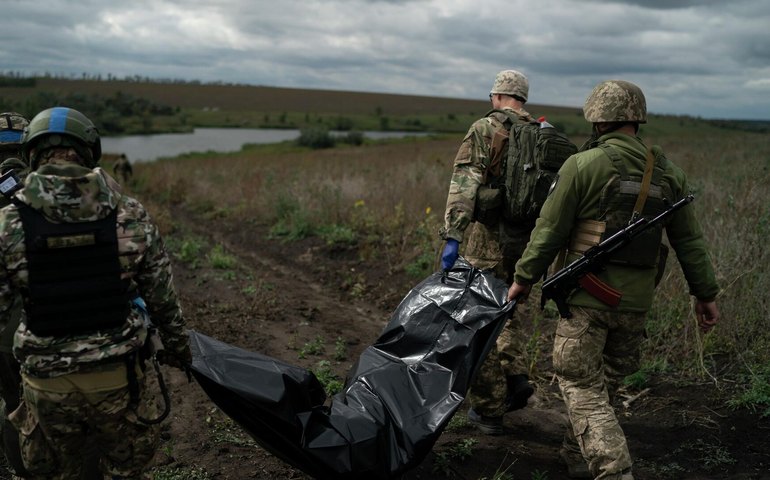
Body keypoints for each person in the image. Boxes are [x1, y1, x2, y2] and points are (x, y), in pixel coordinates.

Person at [508, 80, 720, 479]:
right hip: (636, 304)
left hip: (587, 299)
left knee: (579, 383)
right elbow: (689, 241)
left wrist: (523, 279)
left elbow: (549, 230)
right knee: (600, 386)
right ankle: (575, 455)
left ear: (597, 118)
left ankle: (614, 470)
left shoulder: (583, 164)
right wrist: (705, 295)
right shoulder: (670, 173)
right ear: (637, 119)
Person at [0, 107, 192, 479]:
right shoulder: (129, 213)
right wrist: (179, 351)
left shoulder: (8, 223)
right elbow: (163, 302)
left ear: (32, 154)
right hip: (116, 378)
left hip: (45, 382)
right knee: (123, 469)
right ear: (90, 150)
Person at [439, 69, 536, 435]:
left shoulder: (484, 128)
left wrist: (453, 236)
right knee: (507, 312)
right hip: (527, 245)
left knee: (475, 319)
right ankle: (514, 375)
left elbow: (465, 183)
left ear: (495, 96)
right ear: (522, 98)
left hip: (488, 242)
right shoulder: (542, 133)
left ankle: (490, 407)